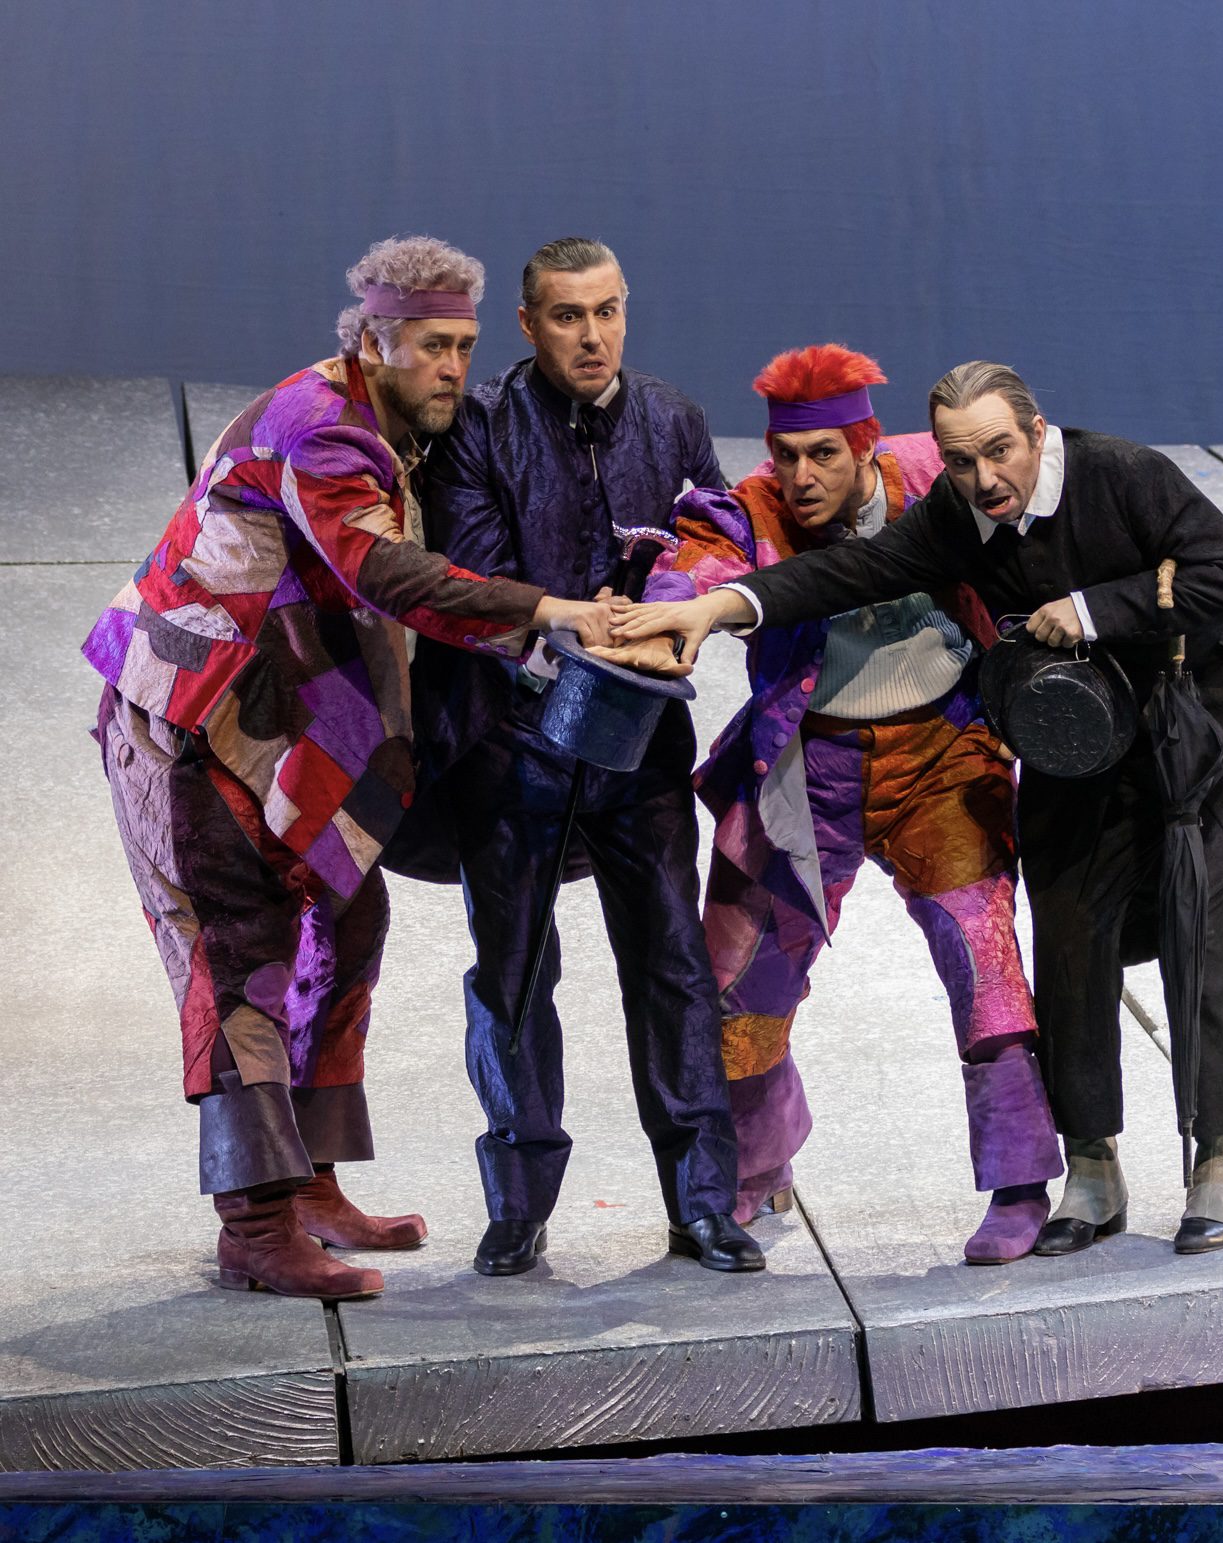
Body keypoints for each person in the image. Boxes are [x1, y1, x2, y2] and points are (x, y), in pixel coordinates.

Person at [612, 359, 1223, 1255]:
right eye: (961, 461)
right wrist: (714, 608)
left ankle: (1219, 1158)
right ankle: (1090, 1166)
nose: (984, 478)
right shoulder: (952, 510)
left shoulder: (1121, 474)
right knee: (1068, 927)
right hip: (1074, 727)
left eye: (1000, 451)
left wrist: (1090, 608)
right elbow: (854, 570)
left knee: (1197, 924)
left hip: (1199, 718)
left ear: (1036, 433)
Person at [82, 236, 611, 1300]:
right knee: (240, 956)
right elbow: (385, 573)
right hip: (191, 723)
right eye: (430, 345)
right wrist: (544, 610)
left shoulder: (392, 423)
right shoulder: (320, 426)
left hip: (278, 726)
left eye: (462, 346)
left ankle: (312, 1179)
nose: (452, 367)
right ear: (373, 340)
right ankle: (255, 1223)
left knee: (349, 919)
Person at [601, 345, 1062, 1263]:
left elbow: (1038, 472)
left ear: (864, 447)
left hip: (941, 758)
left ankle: (1019, 1184)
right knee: (737, 983)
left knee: (986, 967)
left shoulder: (931, 475)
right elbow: (697, 563)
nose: (801, 475)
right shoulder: (753, 507)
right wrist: (663, 612)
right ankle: (755, 1166)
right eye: (786, 455)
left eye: (823, 454)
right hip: (807, 770)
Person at [404, 237, 762, 1276]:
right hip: (508, 745)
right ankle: (517, 1202)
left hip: (639, 744)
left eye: (607, 311)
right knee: (513, 973)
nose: (592, 335)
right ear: (528, 325)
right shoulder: (480, 426)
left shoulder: (671, 417)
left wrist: (679, 600)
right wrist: (572, 629)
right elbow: (471, 580)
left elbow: (720, 534)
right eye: (568, 316)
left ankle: (703, 1202)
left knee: (674, 965)